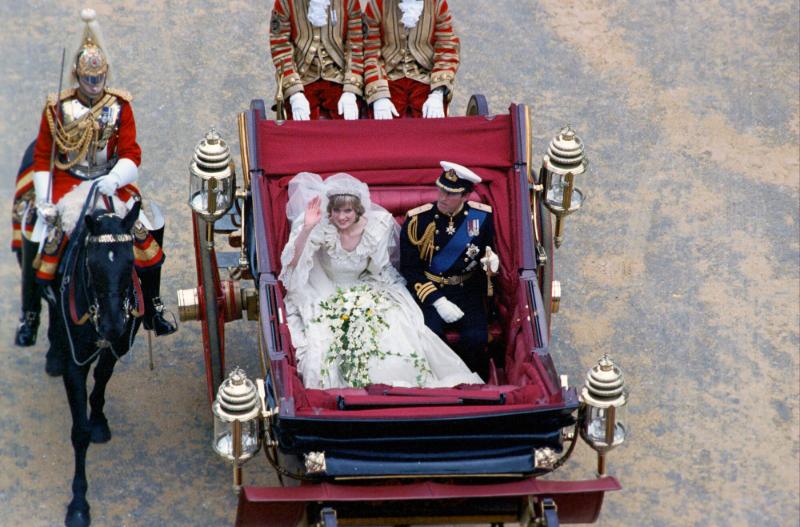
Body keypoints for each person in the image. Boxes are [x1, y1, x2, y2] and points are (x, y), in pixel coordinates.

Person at [29, 8, 176, 347]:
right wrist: (45, 200)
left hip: (112, 184)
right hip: (71, 185)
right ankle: (42, 314)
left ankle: (152, 306)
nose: (94, 86)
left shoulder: (120, 106)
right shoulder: (57, 109)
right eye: (87, 79)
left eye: (99, 79)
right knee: (45, 251)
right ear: (76, 75)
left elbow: (131, 153)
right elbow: (42, 158)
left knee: (147, 240)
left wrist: (115, 177)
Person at [279, 172, 482, 389]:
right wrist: (307, 228)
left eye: (347, 210)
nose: (341, 217)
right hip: (327, 289)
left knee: (395, 326)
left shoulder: (375, 227)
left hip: (364, 286)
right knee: (325, 342)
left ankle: (406, 385)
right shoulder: (322, 228)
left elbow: (379, 268)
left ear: (358, 210)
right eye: (336, 210)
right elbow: (292, 263)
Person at [399, 161, 500, 381]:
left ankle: (473, 384)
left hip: (467, 290)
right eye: (441, 190)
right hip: (430, 291)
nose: (442, 197)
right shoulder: (418, 220)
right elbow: (410, 269)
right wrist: (437, 300)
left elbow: (487, 253)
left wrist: (492, 265)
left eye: (451, 194)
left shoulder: (481, 217)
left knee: (476, 338)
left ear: (465, 196)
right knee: (430, 337)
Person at [363, 0, 459, 119]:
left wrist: (437, 92)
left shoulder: (437, 4)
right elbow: (370, 53)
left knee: (433, 127)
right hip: (388, 77)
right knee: (384, 128)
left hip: (425, 78)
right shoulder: (377, 4)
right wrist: (378, 94)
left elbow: (447, 49)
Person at [269, 0, 364, 120]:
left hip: (339, 79)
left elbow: (356, 47)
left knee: (347, 128)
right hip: (302, 79)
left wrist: (351, 90)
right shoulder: (285, 2)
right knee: (301, 130)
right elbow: (280, 47)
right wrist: (294, 92)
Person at [11, 140, 42, 346]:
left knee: (145, 226)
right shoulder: (61, 110)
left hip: (106, 178)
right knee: (30, 226)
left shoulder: (118, 108)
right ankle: (30, 313)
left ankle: (151, 305)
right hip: (59, 176)